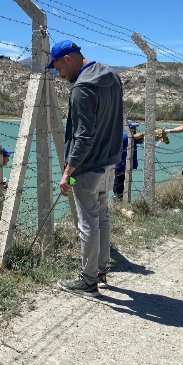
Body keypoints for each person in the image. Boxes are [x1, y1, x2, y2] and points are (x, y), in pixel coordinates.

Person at [48, 40, 123, 296]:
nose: (60, 75)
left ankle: (88, 280)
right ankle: (101, 271)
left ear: (69, 59)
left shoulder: (82, 88)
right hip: (109, 163)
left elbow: (83, 137)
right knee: (102, 218)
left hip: (88, 167)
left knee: (87, 222)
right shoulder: (112, 78)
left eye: (59, 68)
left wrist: (68, 172)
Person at [113, 121, 144, 201]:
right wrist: (149, 132)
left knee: (126, 186)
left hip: (127, 167)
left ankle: (123, 202)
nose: (134, 129)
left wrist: (159, 135)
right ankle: (118, 204)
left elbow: (140, 139)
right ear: (128, 129)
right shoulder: (124, 137)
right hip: (120, 167)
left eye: (135, 128)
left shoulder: (133, 138)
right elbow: (136, 136)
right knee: (118, 188)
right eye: (132, 128)